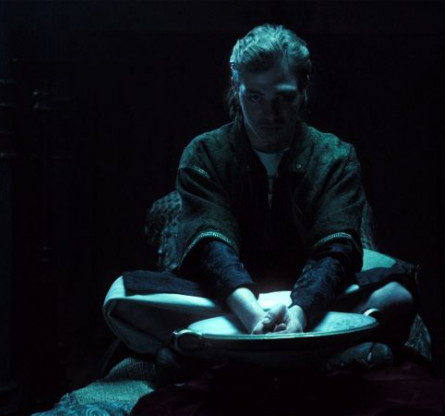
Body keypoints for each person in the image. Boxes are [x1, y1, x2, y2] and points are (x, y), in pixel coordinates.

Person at [119, 23, 419, 367]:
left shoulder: (336, 156)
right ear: (237, 90)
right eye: (255, 97)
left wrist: (300, 312)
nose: (270, 114)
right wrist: (252, 314)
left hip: (312, 300)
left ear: (303, 92)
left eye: (284, 98)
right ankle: (321, 355)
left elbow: (335, 250)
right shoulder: (204, 153)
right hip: (229, 302)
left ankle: (222, 355)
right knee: (124, 298)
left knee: (397, 292)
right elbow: (210, 246)